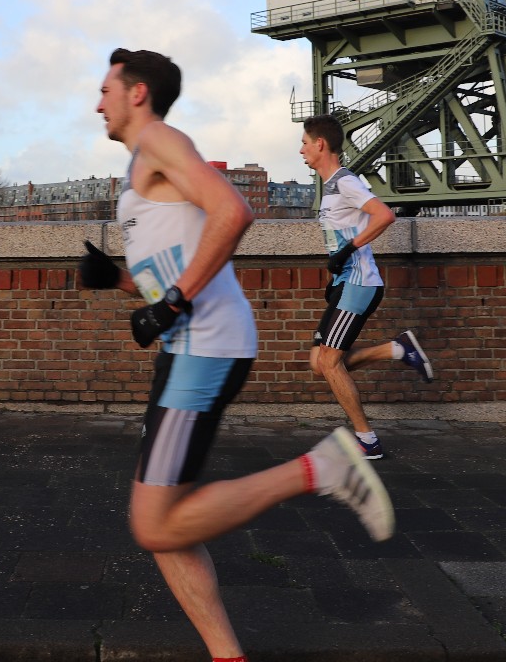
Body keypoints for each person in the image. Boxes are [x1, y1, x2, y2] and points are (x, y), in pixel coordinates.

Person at [80, 48, 393, 662]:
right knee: (169, 522)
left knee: (152, 522)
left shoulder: (160, 140)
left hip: (204, 348)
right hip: (189, 347)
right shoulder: (143, 166)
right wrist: (117, 280)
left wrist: (172, 304)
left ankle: (322, 468)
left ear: (137, 93)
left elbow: (233, 210)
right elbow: (174, 268)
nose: (98, 104)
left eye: (106, 90)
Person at [299, 114, 435, 461]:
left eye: (304, 143)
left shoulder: (345, 181)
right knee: (320, 363)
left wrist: (348, 250)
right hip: (345, 284)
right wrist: (334, 273)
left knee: (330, 363)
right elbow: (339, 237)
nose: (301, 150)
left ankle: (367, 440)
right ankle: (396, 350)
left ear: (320, 144)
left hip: (360, 284)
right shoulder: (330, 187)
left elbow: (384, 215)